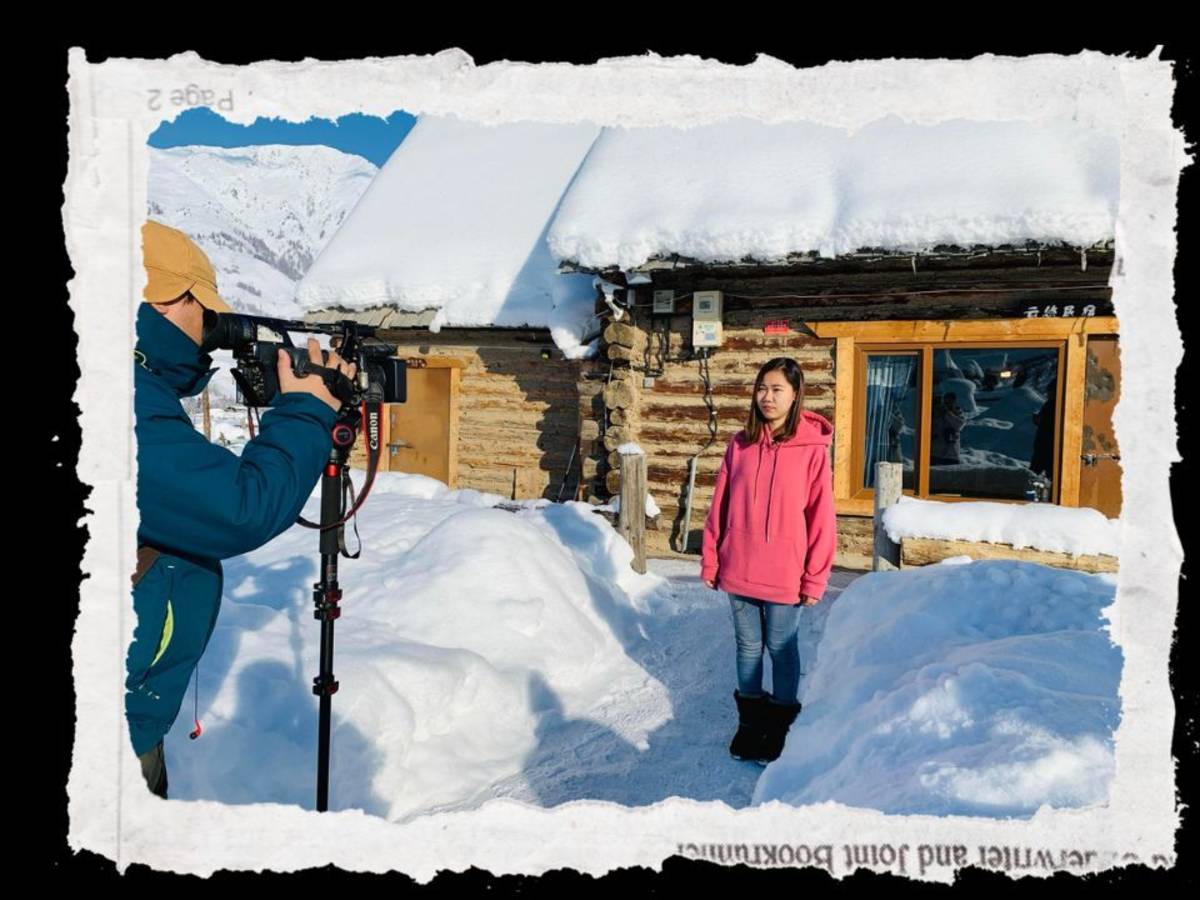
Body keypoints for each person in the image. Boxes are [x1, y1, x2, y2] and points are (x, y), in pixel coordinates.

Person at [128, 220, 357, 797]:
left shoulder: (129, 384)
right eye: (202, 309)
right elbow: (238, 508)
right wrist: (306, 412)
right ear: (163, 298)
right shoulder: (114, 395)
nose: (207, 329)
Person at [700, 357, 837, 765]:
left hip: (785, 572)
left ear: (796, 395)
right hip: (738, 565)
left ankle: (779, 726)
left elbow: (820, 517)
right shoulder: (739, 444)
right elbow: (719, 507)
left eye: (777, 389)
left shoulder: (812, 450)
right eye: (762, 388)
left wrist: (815, 577)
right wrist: (711, 560)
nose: (768, 397)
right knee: (747, 647)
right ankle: (749, 724)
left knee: (781, 648)